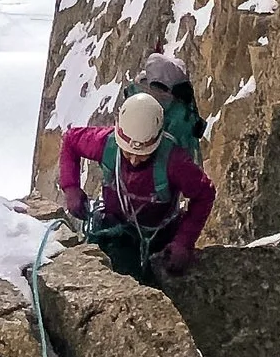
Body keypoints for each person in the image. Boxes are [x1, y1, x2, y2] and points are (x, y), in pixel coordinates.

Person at [57, 85, 214, 283]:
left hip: (161, 235)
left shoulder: (174, 161)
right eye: (128, 153)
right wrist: (71, 187)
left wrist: (184, 241)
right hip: (116, 227)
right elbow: (71, 140)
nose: (133, 160)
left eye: (141, 155)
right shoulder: (107, 143)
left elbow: (204, 194)